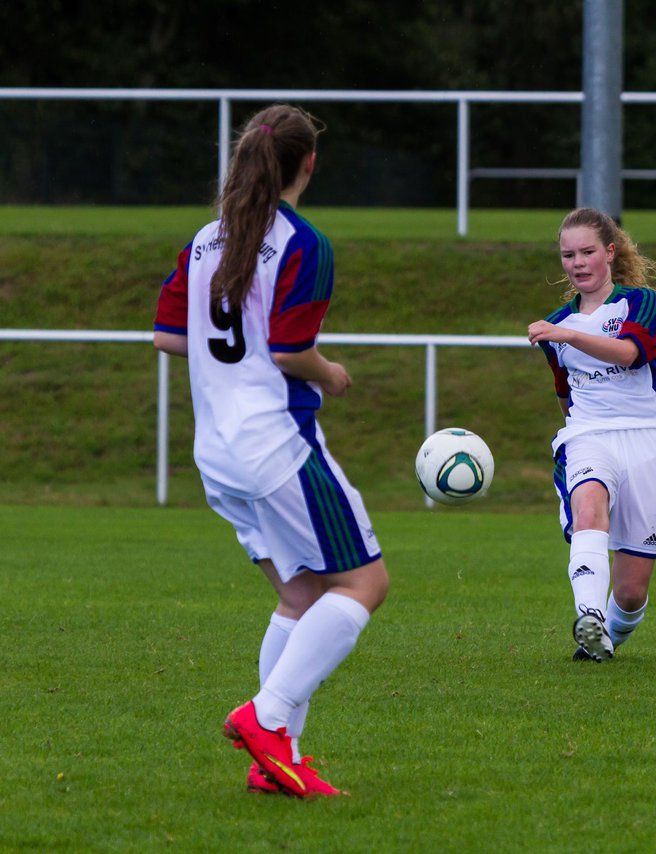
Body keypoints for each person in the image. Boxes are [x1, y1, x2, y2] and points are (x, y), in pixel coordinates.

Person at [153, 104, 389, 796]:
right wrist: (331, 373)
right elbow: (290, 350)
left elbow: (168, 337)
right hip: (275, 444)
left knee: (301, 594)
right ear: (308, 165)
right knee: (364, 585)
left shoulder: (205, 240)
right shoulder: (300, 242)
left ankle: (274, 760)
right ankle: (266, 717)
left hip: (216, 453)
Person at [528, 208, 656, 662]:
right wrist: (563, 336)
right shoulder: (558, 325)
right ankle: (589, 617)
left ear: (610, 253)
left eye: (587, 252)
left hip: (647, 438)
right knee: (588, 504)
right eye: (567, 255)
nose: (577, 262)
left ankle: (609, 632)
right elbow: (566, 394)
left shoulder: (641, 302)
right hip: (588, 435)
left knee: (632, 592)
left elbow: (630, 355)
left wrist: (569, 336)